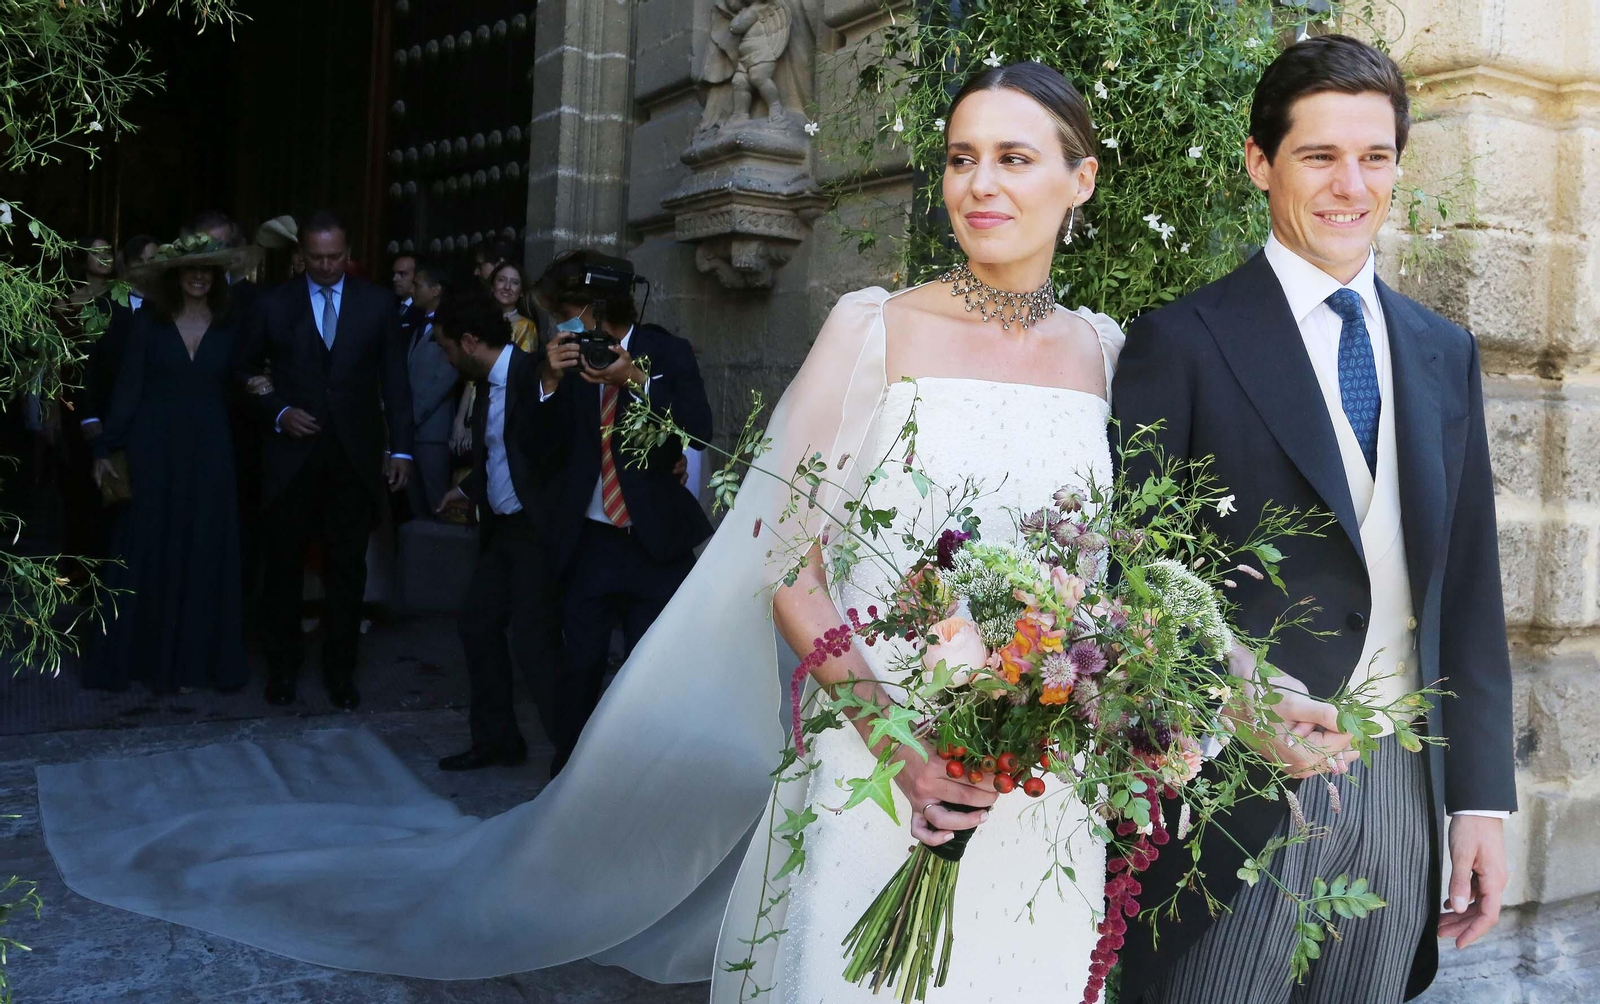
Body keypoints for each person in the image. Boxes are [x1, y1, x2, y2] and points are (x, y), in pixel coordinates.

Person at [31, 60, 1343, 1002]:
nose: (979, 184)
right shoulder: (871, 328)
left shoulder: (1112, 352)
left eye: (1013, 157)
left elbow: (1135, 570)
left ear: (1081, 179)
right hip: (877, 759)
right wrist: (896, 740)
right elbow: (789, 558)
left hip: (1043, 781)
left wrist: (1249, 687)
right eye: (960, 157)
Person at [1112, 34, 1516, 1004]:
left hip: (1402, 788)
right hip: (1233, 792)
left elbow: (1468, 586)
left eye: (1374, 156)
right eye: (1319, 155)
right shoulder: (1179, 341)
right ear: (1260, 162)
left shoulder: (1442, 349)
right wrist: (1230, 701)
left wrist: (1480, 800)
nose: (1351, 185)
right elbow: (1129, 573)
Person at [530, 249, 713, 777]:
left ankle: (641, 780)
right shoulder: (564, 359)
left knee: (652, 671)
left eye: (568, 314)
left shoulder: (666, 351)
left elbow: (699, 429)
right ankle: (569, 779)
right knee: (579, 666)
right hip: (588, 539)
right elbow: (537, 450)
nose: (562, 326)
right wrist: (548, 382)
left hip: (654, 540)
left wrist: (635, 379)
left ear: (594, 309)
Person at [234, 210, 415, 710]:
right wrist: (278, 411)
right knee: (283, 568)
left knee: (347, 569)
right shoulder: (273, 303)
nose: (327, 265)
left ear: (348, 253)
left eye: (335, 256)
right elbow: (242, 370)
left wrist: (400, 448)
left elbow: (395, 381)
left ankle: (341, 672)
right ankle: (282, 669)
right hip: (289, 457)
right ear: (302, 255)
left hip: (353, 457)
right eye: (317, 258)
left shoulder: (377, 304)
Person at [83, 236, 256, 693]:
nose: (199, 276)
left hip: (211, 451)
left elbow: (242, 382)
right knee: (148, 546)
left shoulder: (230, 324)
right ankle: (143, 660)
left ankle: (196, 662)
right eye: (190, 269)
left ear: (217, 277)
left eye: (207, 270)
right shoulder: (149, 323)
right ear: (175, 276)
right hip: (154, 449)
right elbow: (128, 390)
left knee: (205, 546)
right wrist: (104, 448)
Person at [431, 290, 563, 769]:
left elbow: (554, 452)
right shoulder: (487, 383)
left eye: (447, 348)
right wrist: (467, 490)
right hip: (502, 528)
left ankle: (573, 755)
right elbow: (500, 451)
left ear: (469, 341)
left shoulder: (536, 375)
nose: (446, 359)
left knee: (534, 642)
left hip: (536, 530)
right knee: (478, 622)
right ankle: (497, 740)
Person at [449, 260, 538, 457]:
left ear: (521, 291)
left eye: (514, 282)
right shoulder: (478, 320)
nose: (507, 287)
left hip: (499, 409)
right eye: (501, 280)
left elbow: (515, 379)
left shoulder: (526, 326)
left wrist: (475, 423)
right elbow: (472, 377)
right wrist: (460, 419)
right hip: (474, 405)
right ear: (492, 285)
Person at [401, 259, 456, 518]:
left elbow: (445, 376)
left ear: (436, 290)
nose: (412, 290)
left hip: (433, 432)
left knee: (438, 504)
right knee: (416, 507)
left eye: (418, 284)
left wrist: (412, 415)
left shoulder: (450, 326)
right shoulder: (419, 327)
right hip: (412, 432)